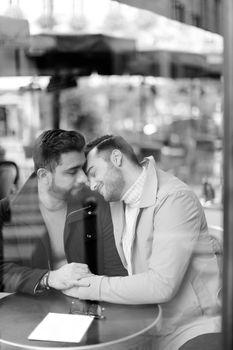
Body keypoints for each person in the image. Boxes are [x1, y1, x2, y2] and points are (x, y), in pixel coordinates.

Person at [63, 135, 222, 350]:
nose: (91, 185)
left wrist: (88, 286)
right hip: (149, 326)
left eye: (93, 173)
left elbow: (161, 285)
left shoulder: (174, 199)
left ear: (117, 158)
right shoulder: (118, 200)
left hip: (192, 329)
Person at [0, 130, 126, 295]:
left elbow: (115, 270)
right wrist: (48, 278)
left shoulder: (95, 203)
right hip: (30, 312)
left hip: (89, 305)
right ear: (44, 176)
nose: (84, 178)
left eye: (83, 168)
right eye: (72, 171)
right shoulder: (6, 211)